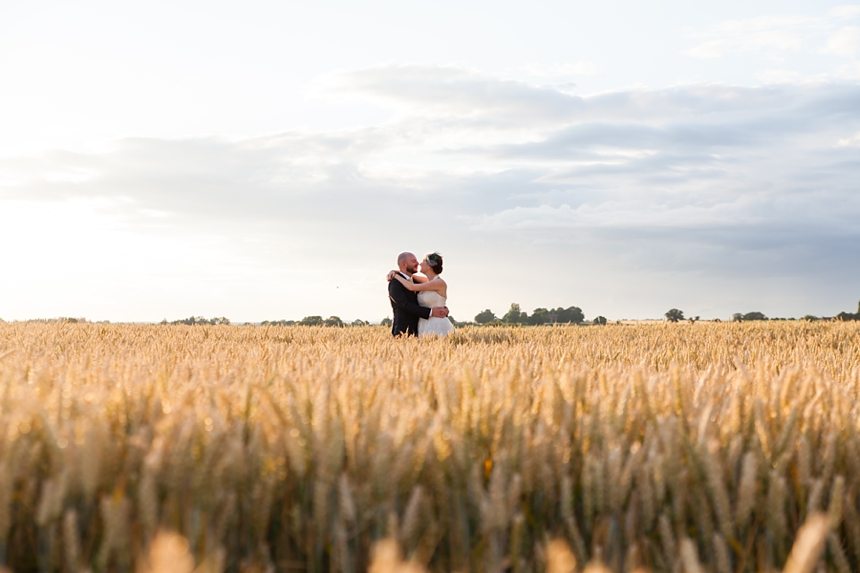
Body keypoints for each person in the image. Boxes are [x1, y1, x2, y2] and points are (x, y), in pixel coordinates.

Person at [389, 252, 455, 337]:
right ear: (405, 264)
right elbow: (405, 304)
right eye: (414, 261)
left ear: (430, 266)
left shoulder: (437, 282)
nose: (418, 263)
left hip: (435, 324)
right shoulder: (396, 283)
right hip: (409, 329)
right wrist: (394, 273)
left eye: (422, 261)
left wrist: (395, 275)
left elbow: (411, 287)